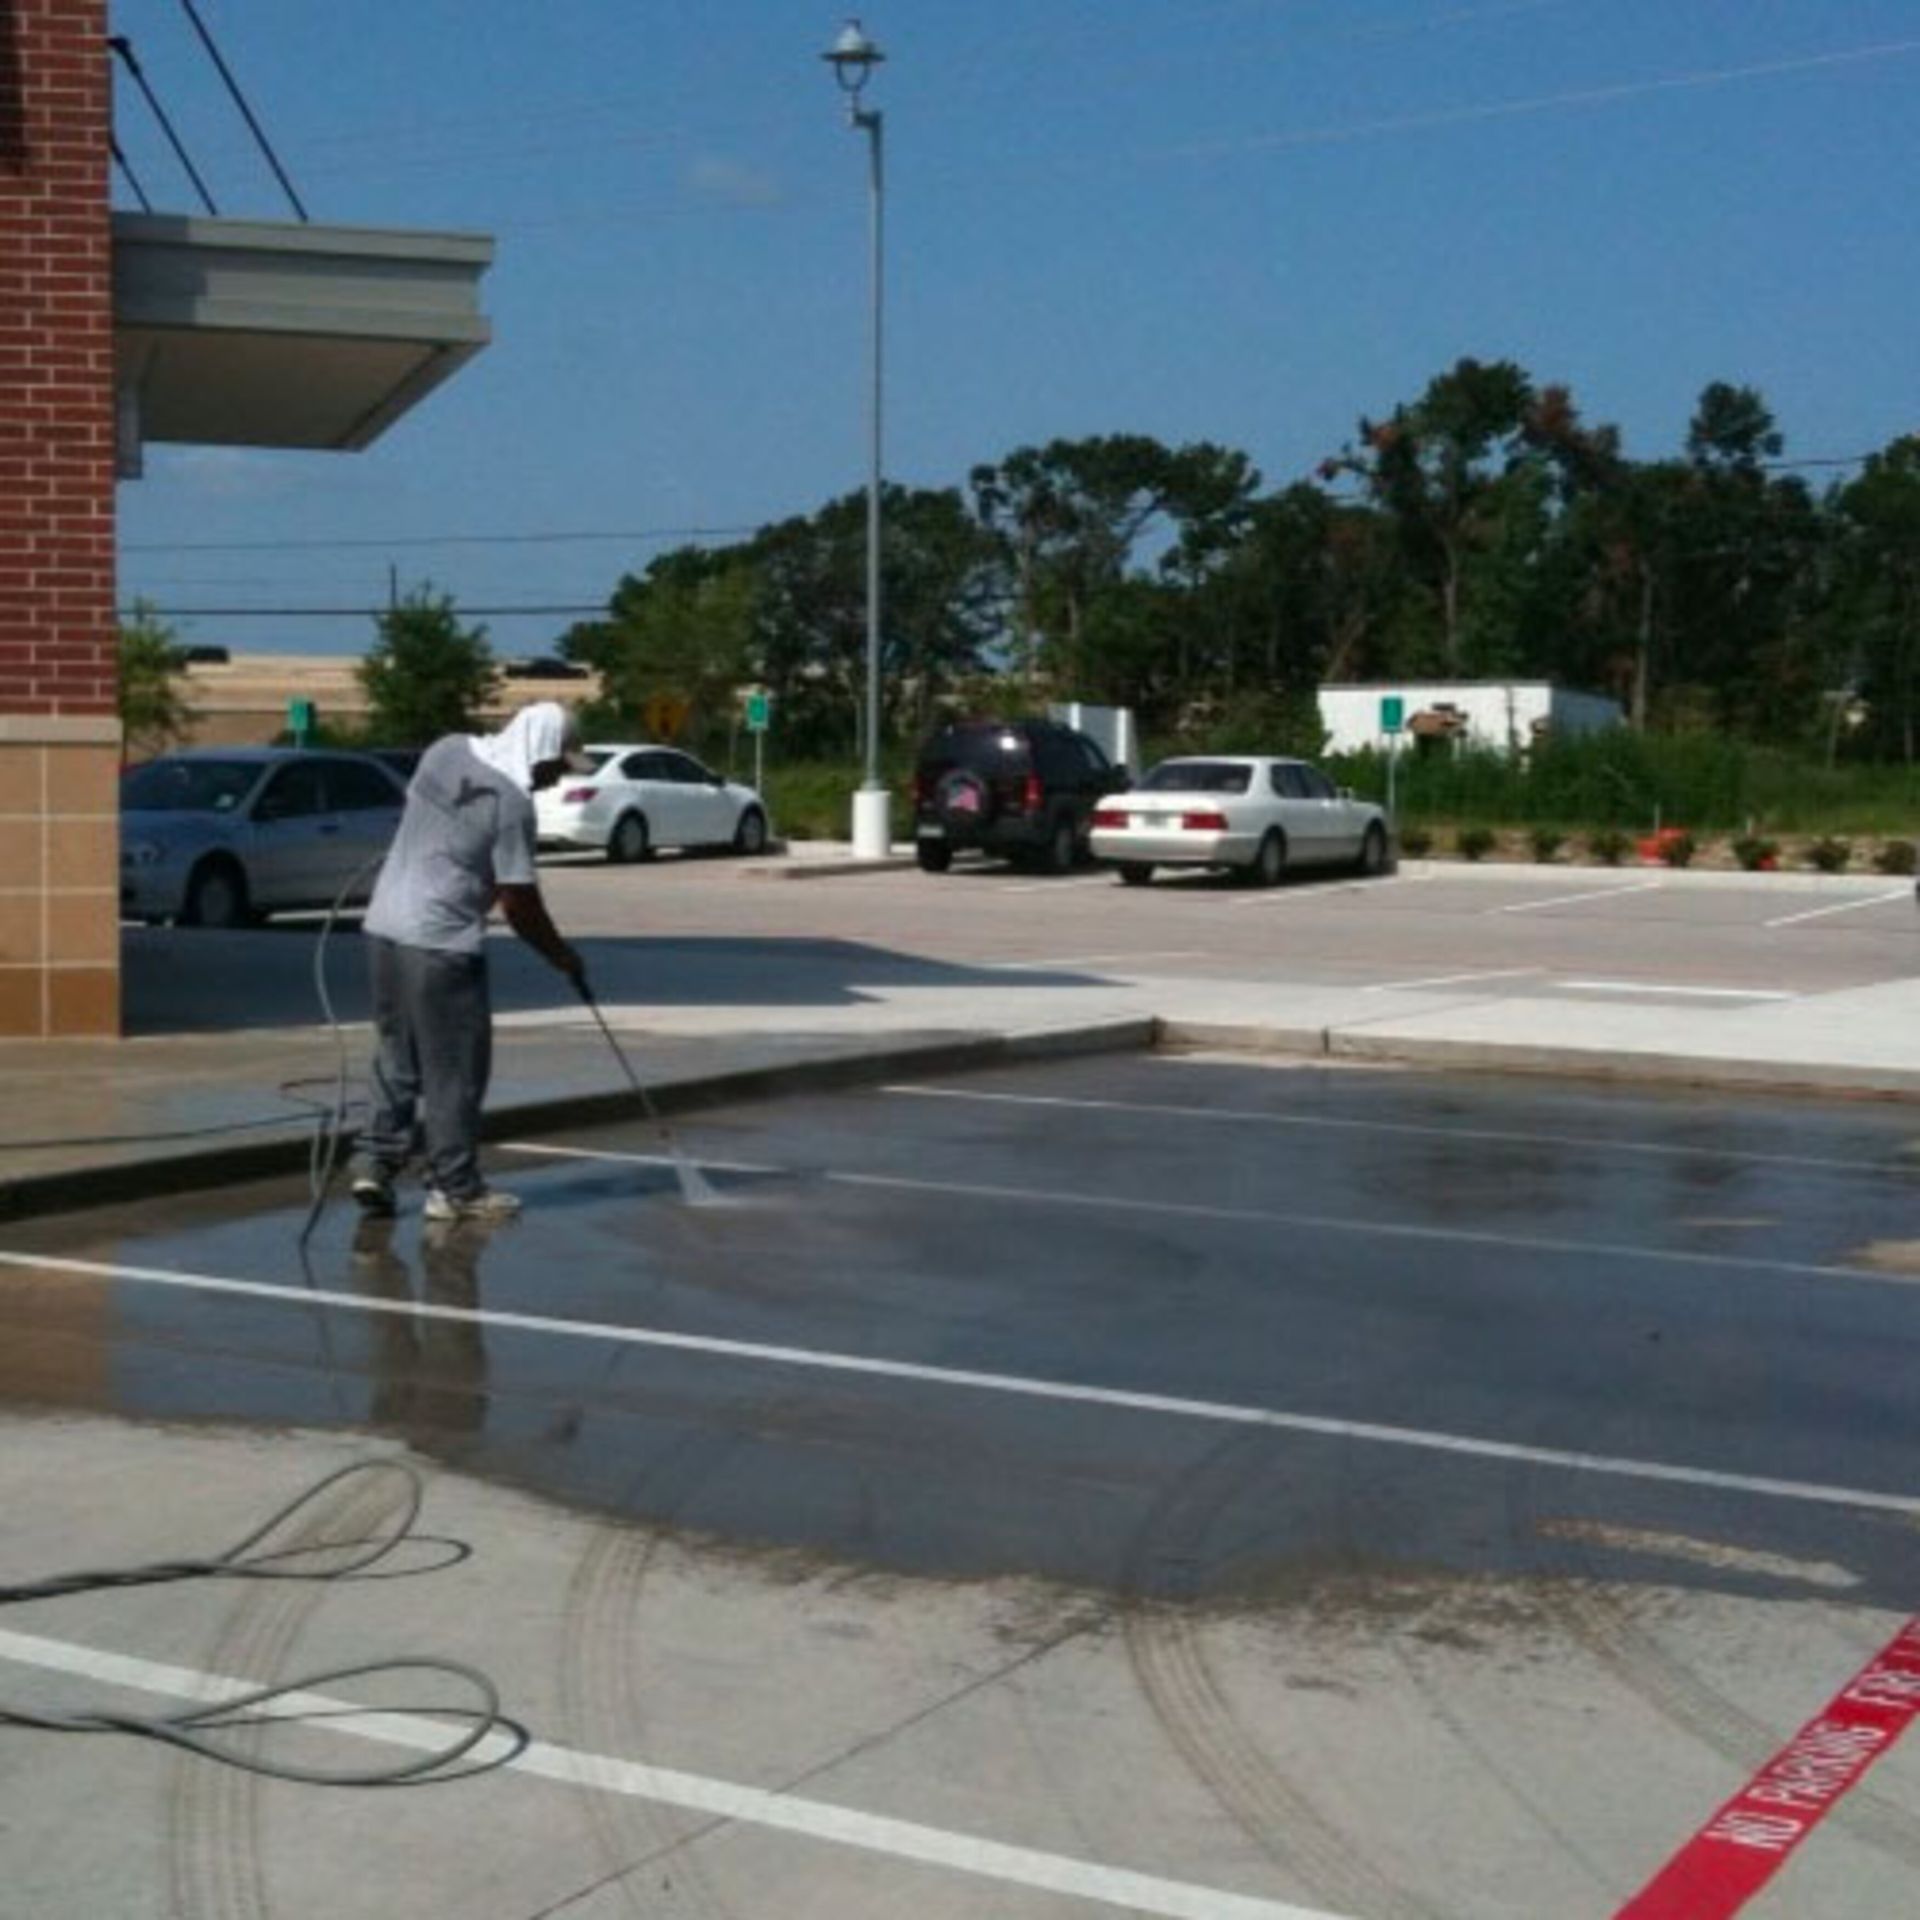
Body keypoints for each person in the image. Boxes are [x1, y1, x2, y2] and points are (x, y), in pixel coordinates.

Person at [350, 701, 590, 1222]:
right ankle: (455, 1189)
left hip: (383, 929)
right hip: (442, 945)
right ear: (542, 750)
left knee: (397, 1053)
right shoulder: (511, 806)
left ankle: (375, 1163)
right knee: (453, 1070)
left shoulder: (445, 750)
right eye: (558, 765)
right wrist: (564, 958)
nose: (555, 779)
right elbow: (520, 905)